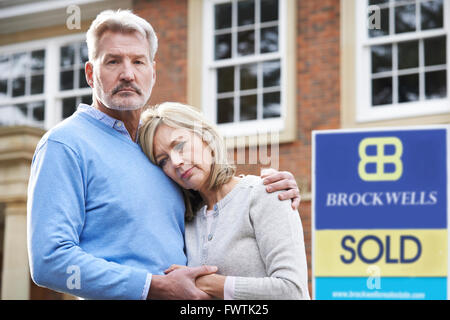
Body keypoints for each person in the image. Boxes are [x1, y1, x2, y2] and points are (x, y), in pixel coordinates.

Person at [27, 9, 301, 300]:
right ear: (91, 74)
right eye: (113, 61)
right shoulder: (64, 144)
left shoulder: (156, 144)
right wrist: (153, 286)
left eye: (138, 61)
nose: (127, 74)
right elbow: (49, 261)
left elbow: (211, 192)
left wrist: (268, 188)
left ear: (153, 72)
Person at [139, 102, 310, 300]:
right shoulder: (187, 221)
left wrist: (205, 282)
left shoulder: (265, 193)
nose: (176, 162)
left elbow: (293, 291)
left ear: (206, 137)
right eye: (163, 160)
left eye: (179, 145)